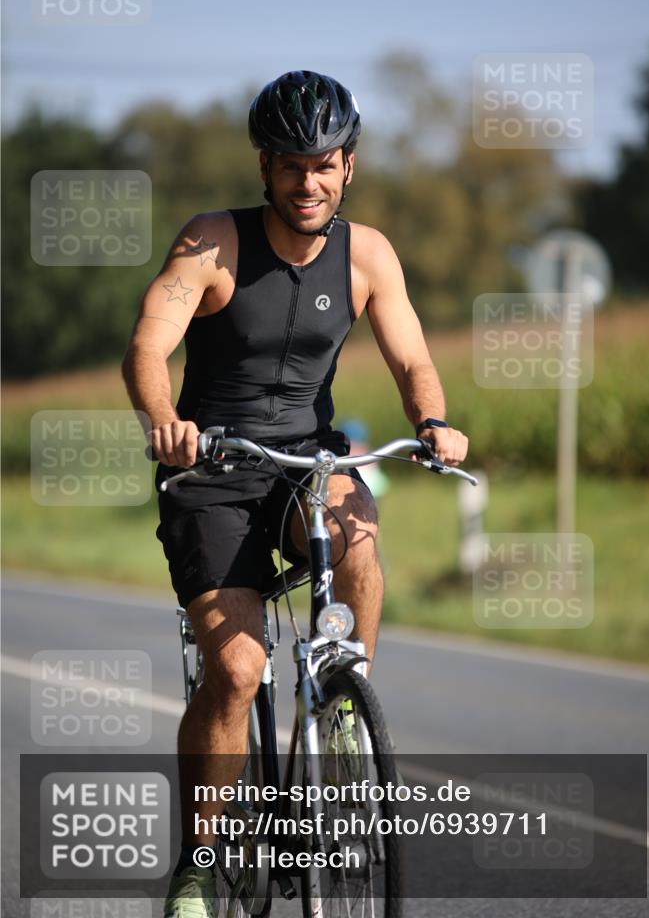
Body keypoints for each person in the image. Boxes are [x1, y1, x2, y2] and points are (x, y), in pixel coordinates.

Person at [122, 69, 468, 917]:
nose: (305, 182)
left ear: (347, 165)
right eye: (288, 165)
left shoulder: (369, 255)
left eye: (322, 164)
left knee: (356, 530)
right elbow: (147, 343)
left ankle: (343, 698)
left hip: (303, 461)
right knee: (236, 670)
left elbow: (412, 358)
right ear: (264, 168)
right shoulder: (213, 243)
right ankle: (200, 863)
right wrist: (165, 419)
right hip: (211, 467)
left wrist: (431, 421)